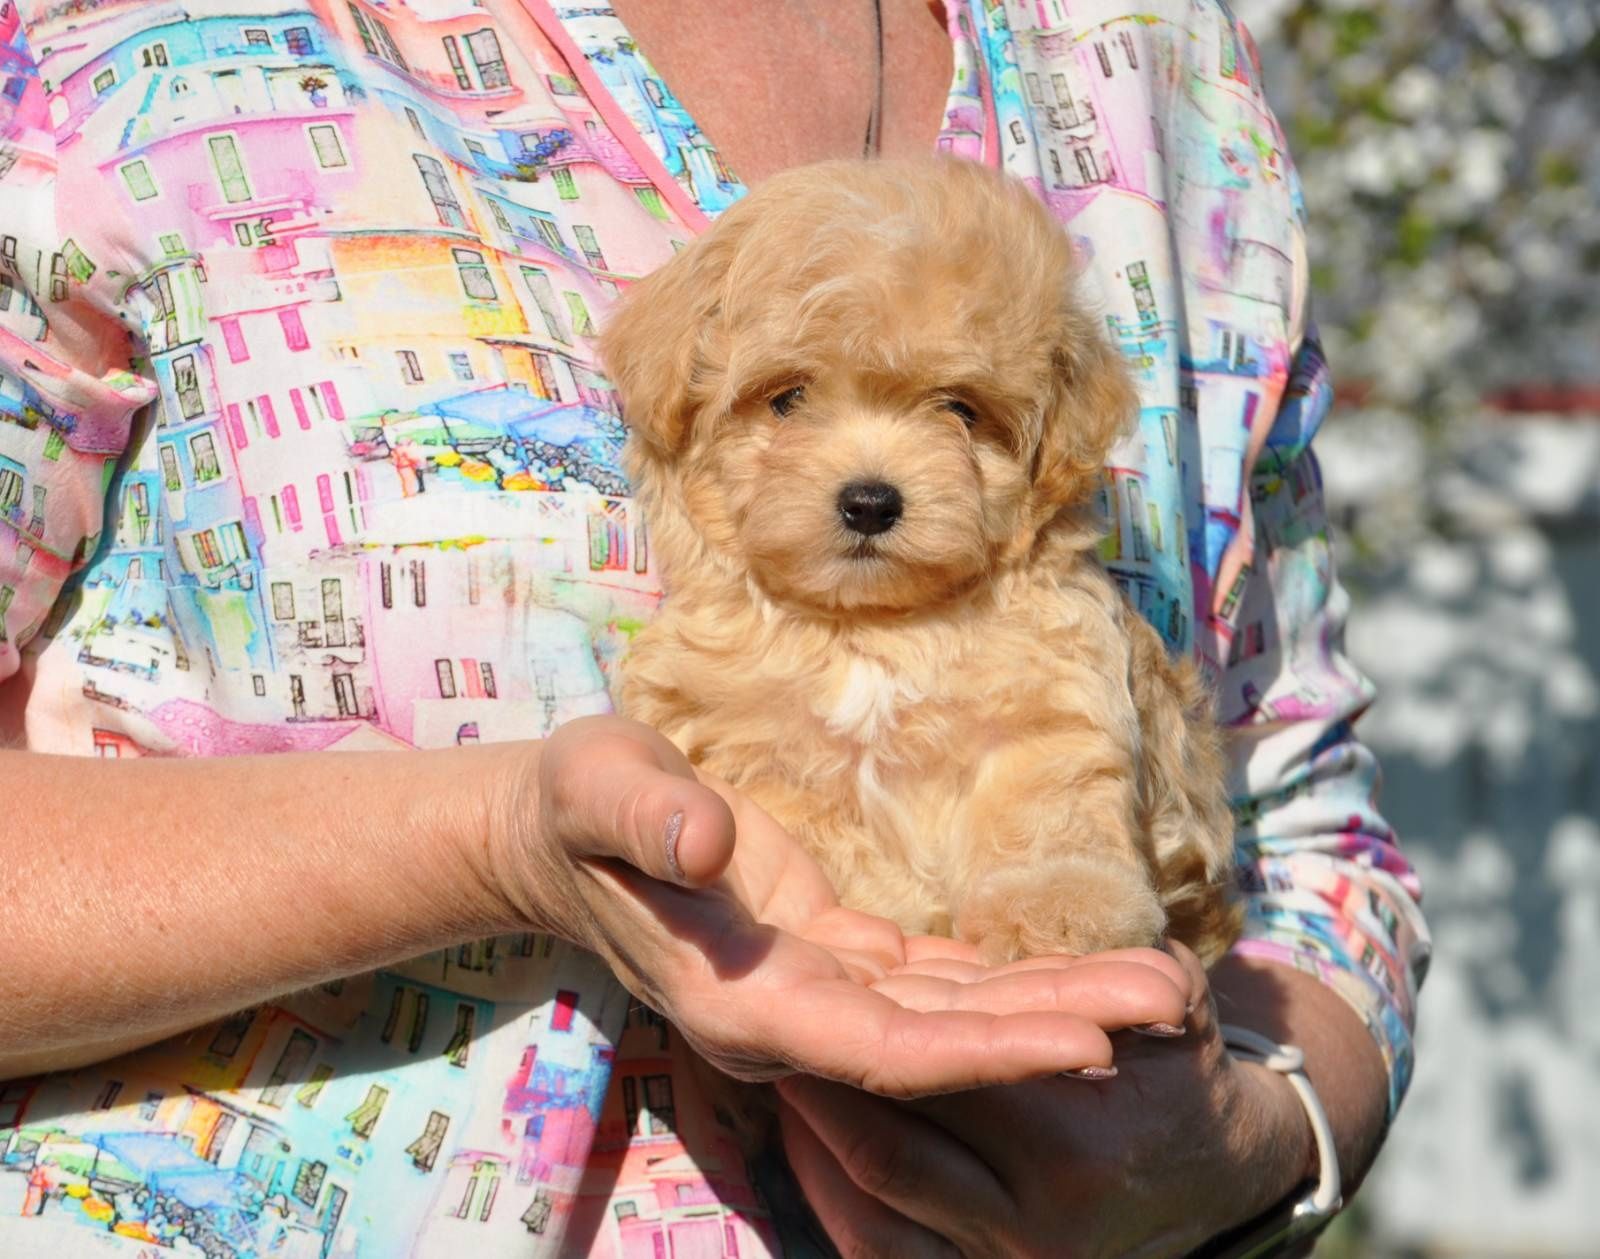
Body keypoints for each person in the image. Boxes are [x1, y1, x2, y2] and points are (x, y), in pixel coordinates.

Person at [0, 0, 1429, 1254]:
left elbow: (1311, 837)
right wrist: (494, 842)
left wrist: (1244, 1159)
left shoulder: (1151, 68)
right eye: (793, 399)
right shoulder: (117, 52)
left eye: (962, 413)